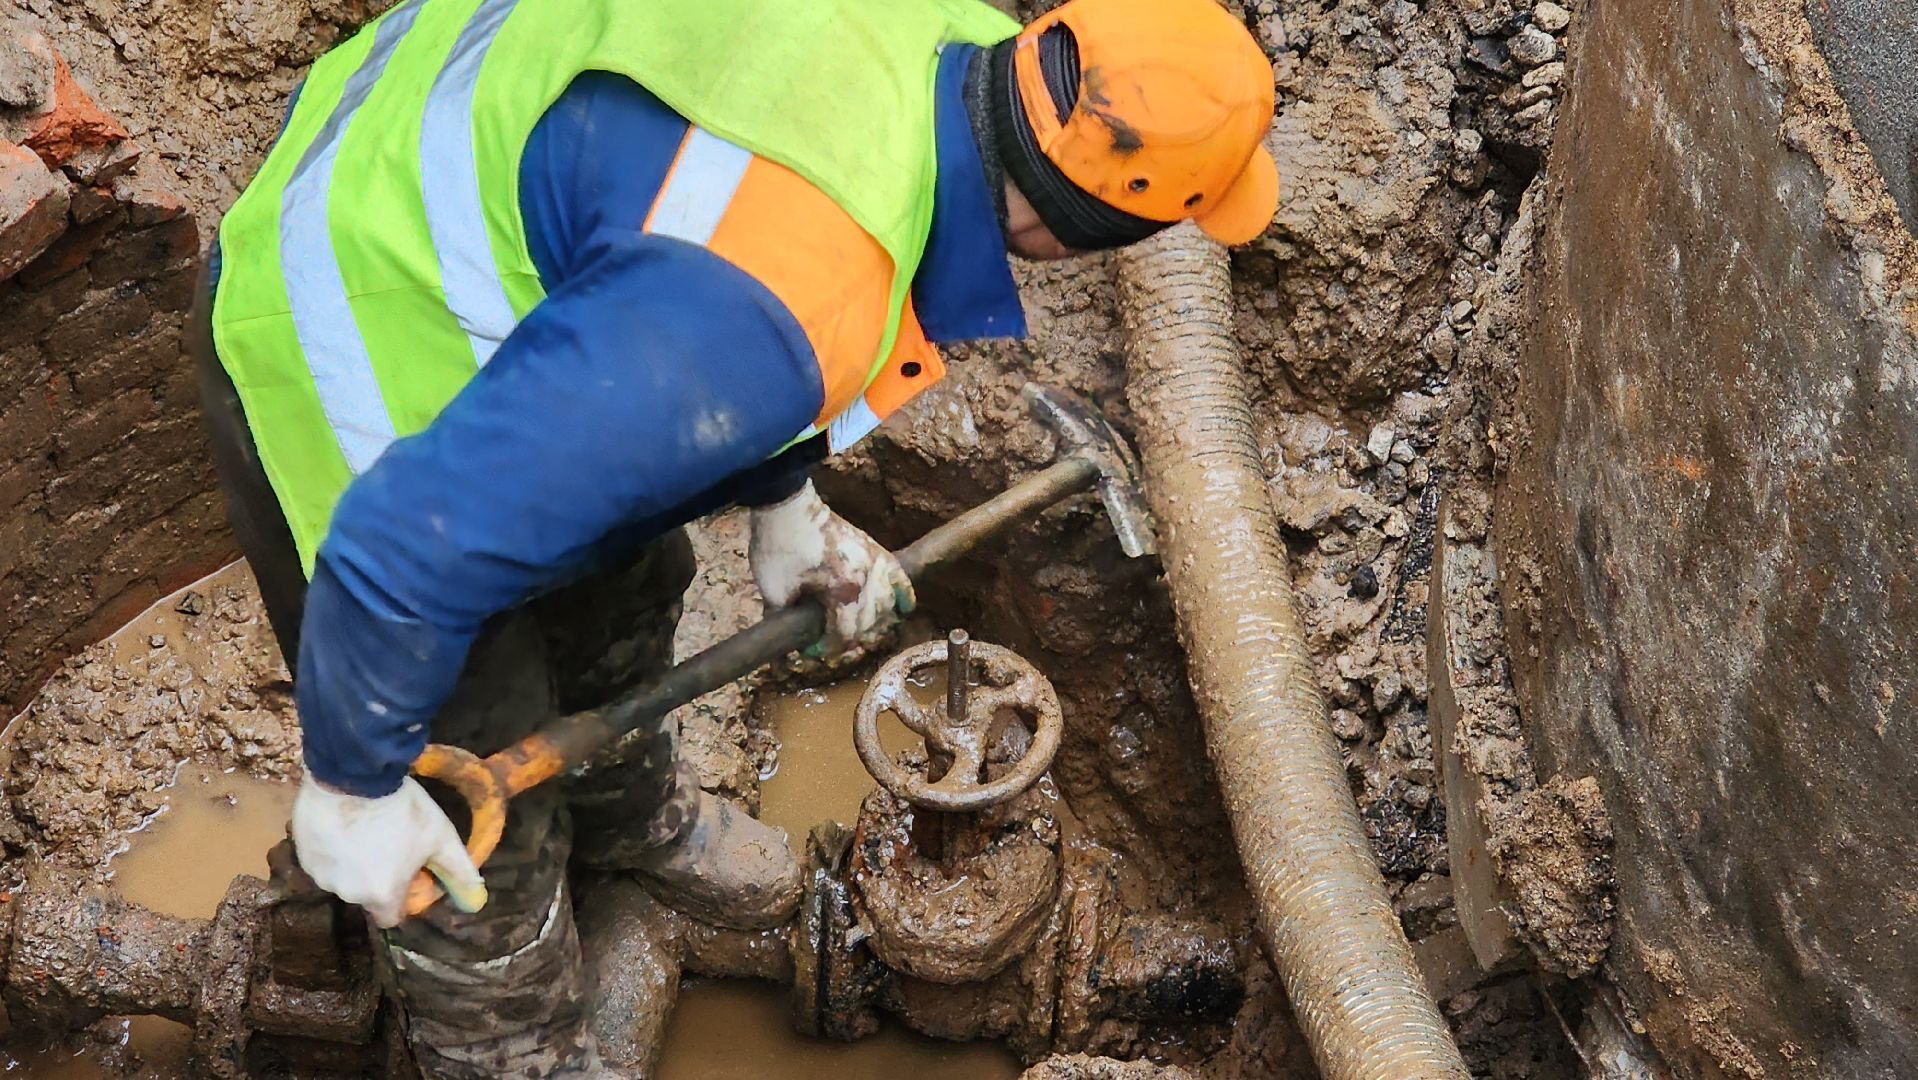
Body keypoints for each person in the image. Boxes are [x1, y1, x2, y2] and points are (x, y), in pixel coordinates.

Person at [191, 0, 1278, 1073]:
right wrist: (352, 788)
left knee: (632, 567)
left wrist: (785, 503)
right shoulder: (770, 310)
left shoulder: (952, 44)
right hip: (348, 304)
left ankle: (632, 832)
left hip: (494, 170)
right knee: (464, 768)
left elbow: (715, 263)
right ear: (1070, 229)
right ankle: (506, 1035)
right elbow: (396, 550)